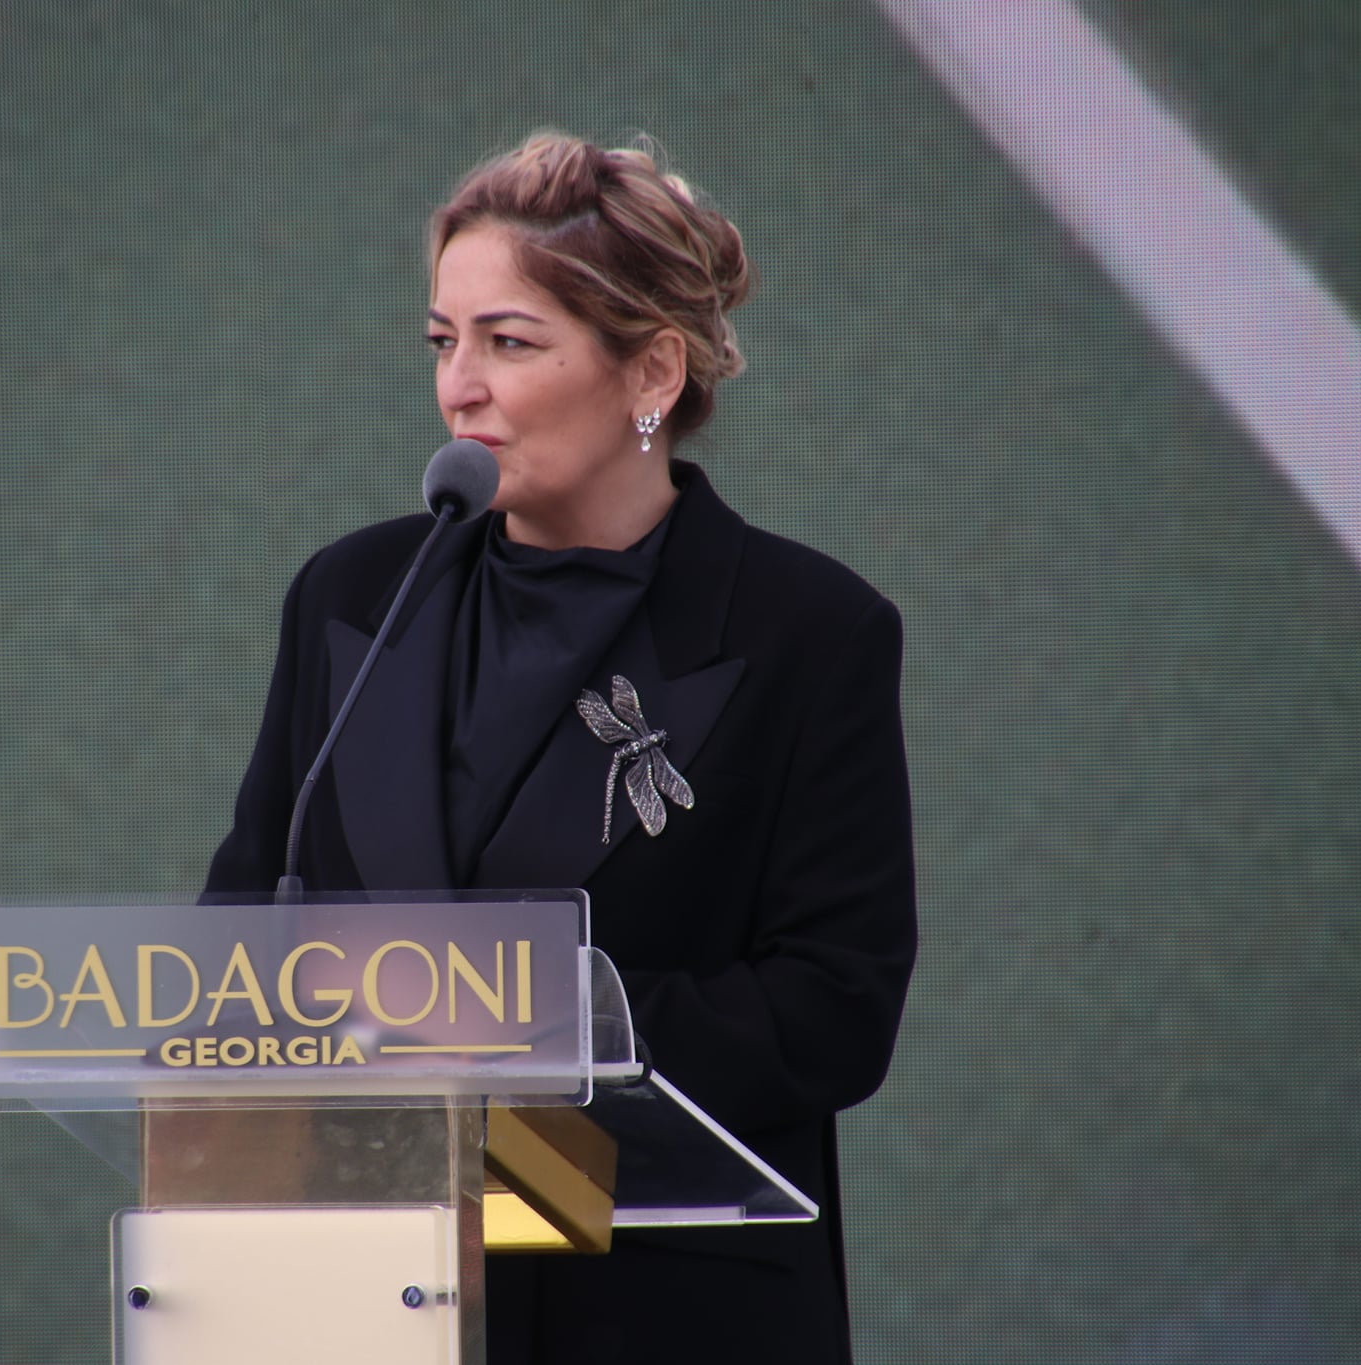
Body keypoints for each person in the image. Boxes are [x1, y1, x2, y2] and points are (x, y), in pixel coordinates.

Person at [205, 131, 916, 1364]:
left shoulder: (805, 631)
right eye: (442, 341)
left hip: (655, 1310)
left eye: (508, 343)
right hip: (362, 1295)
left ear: (651, 371)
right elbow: (242, 926)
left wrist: (520, 1021)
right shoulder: (350, 598)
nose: (458, 387)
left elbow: (830, 1007)